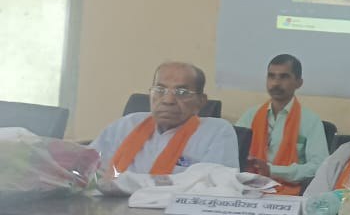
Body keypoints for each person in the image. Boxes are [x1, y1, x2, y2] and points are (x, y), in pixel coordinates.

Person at [91, 62, 238, 174]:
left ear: (201, 101)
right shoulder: (126, 125)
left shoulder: (216, 132)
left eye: (181, 92)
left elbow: (214, 185)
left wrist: (126, 183)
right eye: (160, 90)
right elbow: (88, 169)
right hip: (111, 205)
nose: (168, 100)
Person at [234, 54, 329, 195]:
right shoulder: (251, 115)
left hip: (289, 196)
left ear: (299, 82)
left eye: (284, 77)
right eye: (271, 76)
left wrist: (272, 170)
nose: (275, 83)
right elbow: (233, 153)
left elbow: (319, 167)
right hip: (247, 191)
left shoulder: (310, 121)